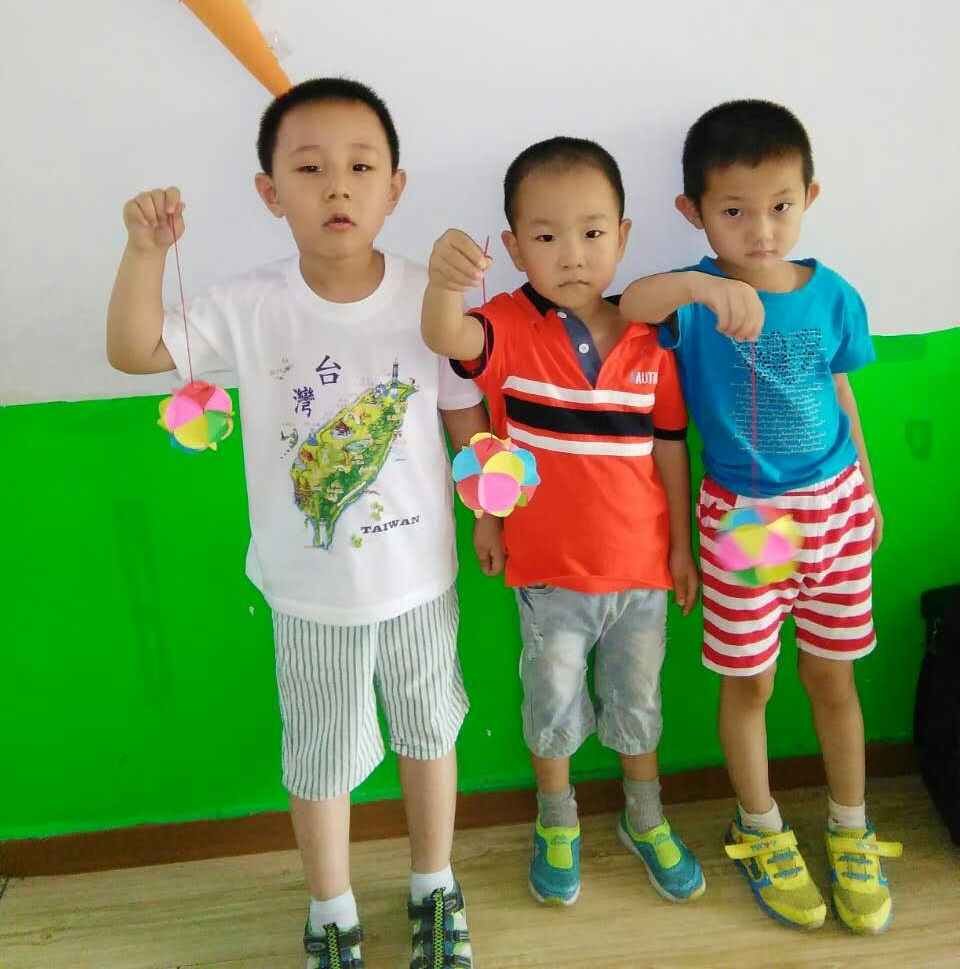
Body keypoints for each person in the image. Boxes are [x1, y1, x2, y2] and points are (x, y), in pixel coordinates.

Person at [107, 77, 487, 969]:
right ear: (270, 192)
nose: (338, 187)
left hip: (420, 579)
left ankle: (435, 886)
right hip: (309, 593)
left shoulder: (429, 295)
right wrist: (144, 252)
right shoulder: (249, 304)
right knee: (320, 758)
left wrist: (490, 511)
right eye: (310, 169)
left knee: (431, 735)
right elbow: (133, 350)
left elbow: (462, 415)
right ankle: (331, 911)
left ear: (395, 187)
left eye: (362, 167)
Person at [619, 98, 902, 935]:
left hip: (837, 509)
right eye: (735, 212)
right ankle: (762, 826)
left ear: (809, 196)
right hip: (750, 517)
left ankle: (850, 826)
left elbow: (841, 391)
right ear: (694, 212)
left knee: (833, 678)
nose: (761, 230)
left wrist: (869, 490)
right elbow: (632, 304)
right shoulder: (695, 302)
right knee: (753, 681)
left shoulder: (832, 294)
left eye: (780, 206)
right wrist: (702, 285)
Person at [422, 136, 705, 910]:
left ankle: (644, 817)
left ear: (624, 236)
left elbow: (671, 450)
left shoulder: (654, 338)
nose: (572, 254)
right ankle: (557, 820)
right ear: (514, 247)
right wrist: (444, 282)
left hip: (643, 574)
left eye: (592, 232)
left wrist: (681, 548)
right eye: (546, 237)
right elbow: (447, 340)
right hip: (547, 576)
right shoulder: (506, 324)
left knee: (638, 703)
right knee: (550, 708)